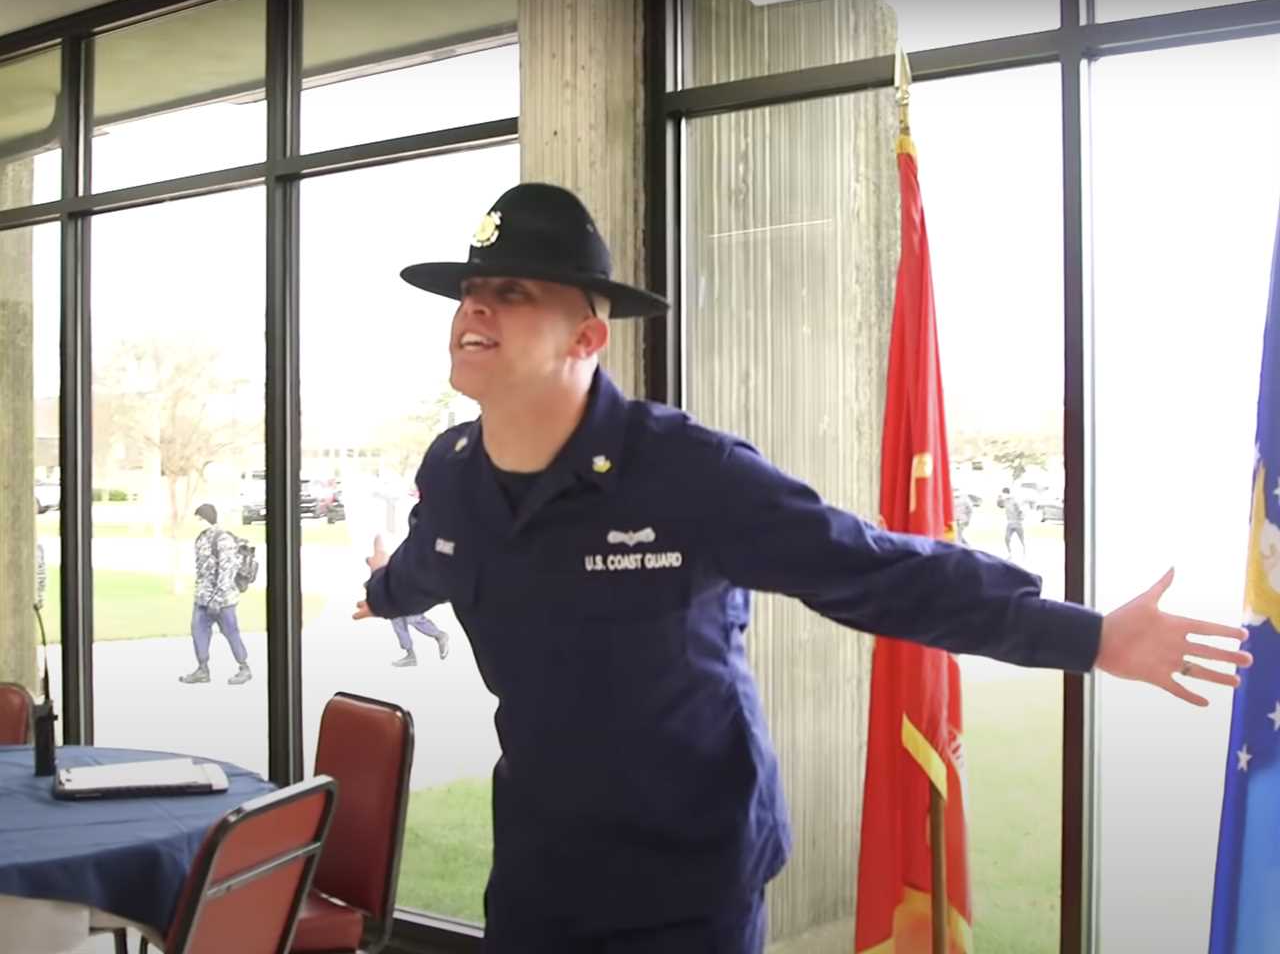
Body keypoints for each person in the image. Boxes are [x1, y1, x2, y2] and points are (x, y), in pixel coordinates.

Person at [352, 183, 1250, 953]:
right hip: (541, 873)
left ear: (589, 336)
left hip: (688, 882)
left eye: (509, 291)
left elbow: (876, 570)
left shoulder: (687, 473)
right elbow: (436, 562)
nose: (473, 309)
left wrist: (1090, 637)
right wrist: (377, 591)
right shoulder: (454, 470)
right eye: (469, 291)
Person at [179, 503, 251, 685]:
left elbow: (228, 570)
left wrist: (217, 599)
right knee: (198, 631)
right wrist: (202, 595)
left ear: (205, 519)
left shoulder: (223, 539)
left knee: (231, 632)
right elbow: (201, 569)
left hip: (223, 600)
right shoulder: (202, 538)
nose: (195, 522)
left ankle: (244, 667)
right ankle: (202, 669)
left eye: (198, 519)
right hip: (203, 598)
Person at [999, 485, 1026, 559]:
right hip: (1010, 523)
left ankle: (1024, 551)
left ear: (1007, 493)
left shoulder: (1014, 500)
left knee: (1021, 539)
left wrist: (1021, 518)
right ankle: (1010, 553)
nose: (1003, 495)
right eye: (1003, 494)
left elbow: (1020, 510)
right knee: (1006, 538)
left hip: (1017, 522)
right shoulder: (1004, 501)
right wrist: (999, 498)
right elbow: (1000, 505)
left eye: (1004, 493)